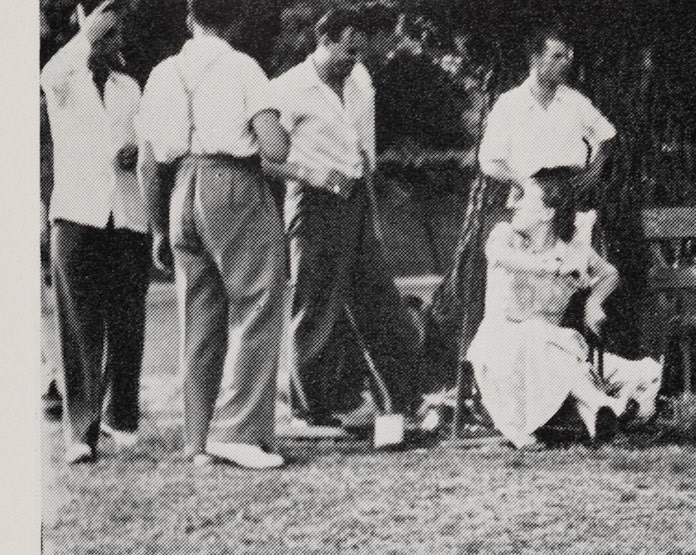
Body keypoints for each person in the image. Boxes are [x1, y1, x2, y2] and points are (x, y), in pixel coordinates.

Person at [137, 0, 291, 471]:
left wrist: (159, 227)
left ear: (190, 19)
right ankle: (238, 432)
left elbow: (147, 161)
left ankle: (197, 439)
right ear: (236, 19)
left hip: (179, 186)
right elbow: (275, 147)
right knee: (258, 301)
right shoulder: (244, 67)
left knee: (197, 316)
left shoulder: (162, 73)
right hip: (233, 182)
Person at [269, 6, 421, 436]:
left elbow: (364, 145)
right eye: (348, 50)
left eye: (360, 52)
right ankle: (310, 410)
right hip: (312, 202)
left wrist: (372, 192)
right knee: (315, 302)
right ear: (325, 41)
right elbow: (262, 158)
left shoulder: (360, 81)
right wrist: (312, 173)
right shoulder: (286, 89)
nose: (355, 59)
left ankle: (401, 399)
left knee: (378, 297)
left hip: (356, 198)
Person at [466, 167, 660, 451]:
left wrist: (594, 302)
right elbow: (501, 258)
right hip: (500, 346)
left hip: (551, 352)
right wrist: (553, 267)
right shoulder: (505, 236)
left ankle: (600, 417)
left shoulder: (572, 251)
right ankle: (604, 406)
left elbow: (609, 273)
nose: (514, 204)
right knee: (536, 333)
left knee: (641, 374)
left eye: (524, 198)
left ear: (547, 213)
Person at [41, 0, 151, 466]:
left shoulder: (130, 86)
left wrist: (136, 150)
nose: (116, 43)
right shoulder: (63, 81)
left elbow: (147, 139)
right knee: (80, 327)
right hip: (77, 216)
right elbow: (55, 67)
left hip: (126, 214)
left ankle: (120, 413)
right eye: (108, 34)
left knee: (127, 321)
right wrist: (89, 29)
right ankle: (80, 431)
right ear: (88, 32)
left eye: (118, 34)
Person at [477, 26, 615, 195]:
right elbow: (490, 161)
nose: (565, 63)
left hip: (574, 197)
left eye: (567, 57)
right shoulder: (509, 104)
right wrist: (524, 184)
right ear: (536, 59)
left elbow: (607, 136)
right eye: (557, 57)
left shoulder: (575, 101)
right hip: (530, 200)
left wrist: (592, 173)